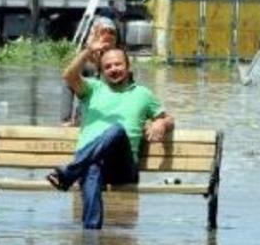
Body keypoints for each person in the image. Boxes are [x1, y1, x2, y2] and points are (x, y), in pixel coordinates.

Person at [48, 42, 174, 230]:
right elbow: (69, 76)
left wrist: (162, 122)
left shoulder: (143, 94)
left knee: (116, 130)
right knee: (92, 167)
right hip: (91, 162)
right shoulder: (92, 89)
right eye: (107, 66)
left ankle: (69, 173)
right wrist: (89, 51)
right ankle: (91, 239)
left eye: (118, 64)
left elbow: (169, 119)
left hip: (122, 166)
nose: (113, 69)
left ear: (128, 66)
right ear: (101, 71)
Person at [59, 16, 120, 126]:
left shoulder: (119, 62)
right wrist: (91, 51)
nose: (107, 35)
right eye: (103, 32)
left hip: (109, 115)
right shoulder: (86, 61)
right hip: (86, 114)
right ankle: (66, 121)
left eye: (111, 33)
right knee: (69, 80)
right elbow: (68, 77)